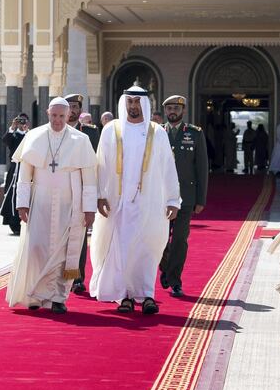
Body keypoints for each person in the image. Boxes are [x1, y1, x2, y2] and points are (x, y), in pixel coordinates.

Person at [89, 85, 181, 315]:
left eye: (137, 102)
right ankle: (125, 296)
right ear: (124, 104)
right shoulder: (111, 130)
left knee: (148, 247)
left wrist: (173, 200)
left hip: (150, 202)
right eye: (129, 102)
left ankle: (147, 294)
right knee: (121, 248)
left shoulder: (156, 132)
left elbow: (169, 168)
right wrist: (99, 195)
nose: (133, 106)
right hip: (118, 203)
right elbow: (101, 165)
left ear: (145, 104)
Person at [6, 97, 97, 314]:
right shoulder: (34, 136)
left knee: (64, 251)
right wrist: (22, 204)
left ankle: (58, 297)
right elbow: (24, 175)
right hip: (40, 201)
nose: (57, 120)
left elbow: (90, 178)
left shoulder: (81, 140)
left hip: (70, 202)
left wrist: (89, 208)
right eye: (54, 115)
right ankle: (36, 294)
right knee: (36, 246)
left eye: (62, 116)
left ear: (68, 116)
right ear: (48, 113)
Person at [158, 95, 208, 297]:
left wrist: (200, 199)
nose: (172, 111)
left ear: (183, 111)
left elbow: (202, 167)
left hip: (185, 196)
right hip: (160, 196)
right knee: (160, 239)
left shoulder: (195, 133)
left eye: (176, 108)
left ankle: (175, 280)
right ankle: (166, 268)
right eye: (169, 108)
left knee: (179, 239)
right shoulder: (158, 132)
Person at [65, 93, 100, 293]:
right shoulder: (55, 130)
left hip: (82, 189)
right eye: (69, 106)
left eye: (76, 106)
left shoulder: (90, 133)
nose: (72, 110)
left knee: (79, 235)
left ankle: (76, 278)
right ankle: (59, 275)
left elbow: (97, 163)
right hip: (60, 189)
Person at [0, 113, 29, 235]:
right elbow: (5, 141)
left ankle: (25, 221)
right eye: (20, 121)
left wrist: (26, 131)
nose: (22, 123)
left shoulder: (30, 135)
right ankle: (12, 222)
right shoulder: (14, 135)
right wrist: (12, 127)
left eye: (24, 121)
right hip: (14, 169)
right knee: (11, 195)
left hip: (27, 169)